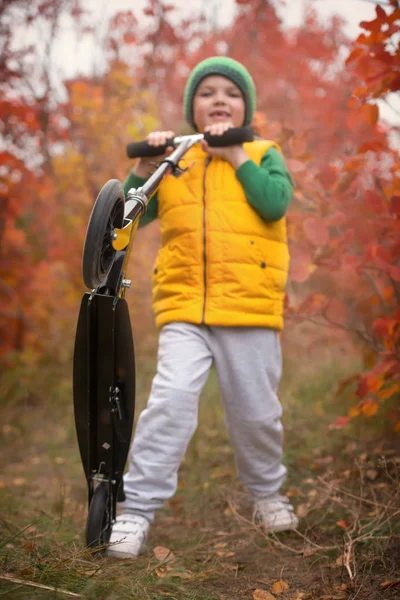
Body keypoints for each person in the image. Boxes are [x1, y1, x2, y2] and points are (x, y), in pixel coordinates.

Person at [107, 56, 298, 559]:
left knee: (256, 415)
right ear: (194, 107)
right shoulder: (177, 160)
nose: (219, 99)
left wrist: (238, 158)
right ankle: (135, 510)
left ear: (245, 108)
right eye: (208, 91)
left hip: (250, 311)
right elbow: (123, 223)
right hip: (185, 310)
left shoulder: (263, 152)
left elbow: (275, 204)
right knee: (168, 404)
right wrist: (144, 168)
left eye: (231, 93)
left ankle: (267, 493)